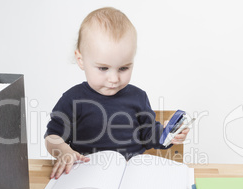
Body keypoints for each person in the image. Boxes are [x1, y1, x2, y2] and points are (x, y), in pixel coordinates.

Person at [45, 7, 189, 180]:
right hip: (85, 177)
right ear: (81, 60)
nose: (113, 78)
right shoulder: (72, 99)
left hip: (131, 177)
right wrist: (64, 151)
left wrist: (169, 135)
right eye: (103, 68)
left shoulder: (138, 97)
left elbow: (149, 135)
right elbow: (52, 136)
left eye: (123, 68)